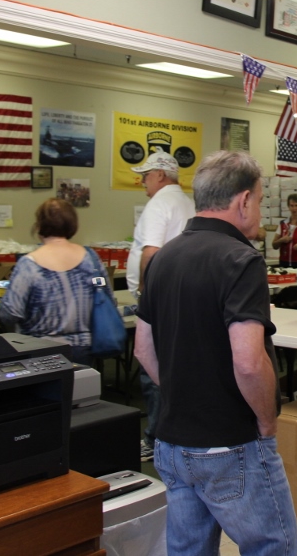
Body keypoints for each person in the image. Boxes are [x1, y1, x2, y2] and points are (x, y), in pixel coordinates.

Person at [133, 151, 297, 556]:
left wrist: (183, 391)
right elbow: (248, 360)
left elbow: (143, 348)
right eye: (259, 200)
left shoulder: (161, 259)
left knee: (189, 550)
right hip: (230, 442)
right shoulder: (241, 260)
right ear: (242, 201)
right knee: (273, 547)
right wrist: (265, 422)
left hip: (172, 444)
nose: (259, 210)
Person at [127, 150, 195, 463]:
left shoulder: (159, 204)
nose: (143, 182)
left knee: (151, 367)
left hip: (159, 297)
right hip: (183, 295)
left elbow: (150, 252)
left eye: (146, 175)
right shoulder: (188, 202)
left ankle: (154, 436)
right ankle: (174, 430)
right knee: (177, 365)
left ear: (160, 175)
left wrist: (144, 289)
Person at [0, 198, 114, 366]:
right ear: (73, 224)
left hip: (39, 352)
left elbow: (9, 313)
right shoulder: (92, 259)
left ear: (39, 226)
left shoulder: (29, 264)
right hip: (83, 350)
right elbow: (106, 298)